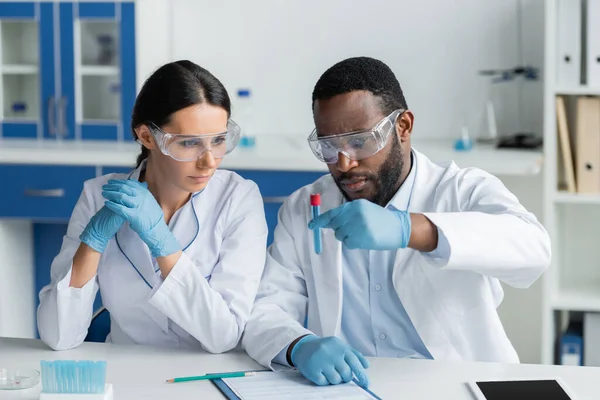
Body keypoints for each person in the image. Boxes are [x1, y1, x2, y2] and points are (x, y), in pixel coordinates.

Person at [242, 57, 551, 387]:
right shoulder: (307, 206)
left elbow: (534, 249)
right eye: (328, 146)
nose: (343, 163)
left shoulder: (460, 189)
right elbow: (266, 309)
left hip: (457, 383)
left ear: (402, 126)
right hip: (351, 387)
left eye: (360, 141)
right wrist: (297, 345)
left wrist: (414, 230)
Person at [37, 60, 268, 353]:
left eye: (219, 141)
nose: (209, 161)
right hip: (126, 375)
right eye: (190, 143)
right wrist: (92, 243)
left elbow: (224, 336)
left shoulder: (238, 199)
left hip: (207, 376)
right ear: (147, 137)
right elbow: (59, 337)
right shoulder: (99, 196)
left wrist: (162, 242)